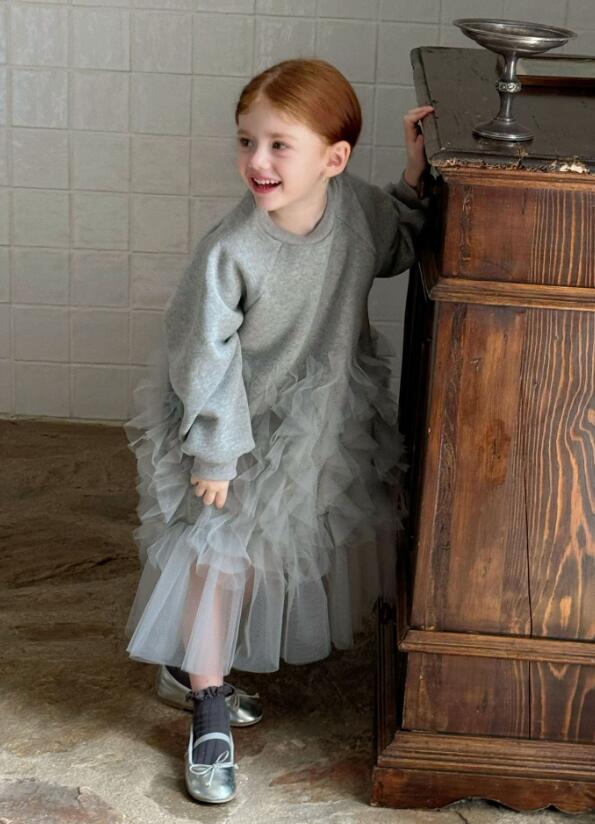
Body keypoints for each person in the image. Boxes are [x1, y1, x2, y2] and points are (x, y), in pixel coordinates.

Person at [124, 57, 434, 805]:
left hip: (316, 415)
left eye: (278, 145)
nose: (256, 162)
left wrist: (415, 175)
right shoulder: (231, 250)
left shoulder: (355, 210)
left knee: (269, 550)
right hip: (232, 418)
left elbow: (397, 242)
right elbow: (202, 357)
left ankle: (188, 664)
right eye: (247, 142)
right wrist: (217, 451)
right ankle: (208, 705)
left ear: (334, 159)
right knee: (218, 556)